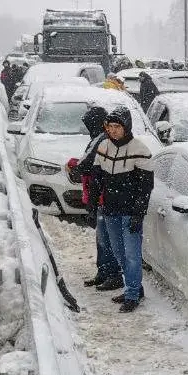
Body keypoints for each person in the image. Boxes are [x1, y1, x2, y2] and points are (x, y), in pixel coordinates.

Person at [92, 106, 152, 312]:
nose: (113, 130)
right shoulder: (103, 147)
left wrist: (138, 213)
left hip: (130, 212)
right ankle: (134, 287)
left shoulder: (140, 150)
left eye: (117, 126)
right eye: (110, 126)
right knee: (118, 252)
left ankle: (132, 294)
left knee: (132, 254)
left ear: (126, 127)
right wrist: (94, 202)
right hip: (110, 210)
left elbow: (146, 187)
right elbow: (97, 178)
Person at [68, 106, 122, 291]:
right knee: (102, 238)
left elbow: (86, 165)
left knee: (107, 239)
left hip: (102, 196)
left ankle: (112, 274)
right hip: (98, 195)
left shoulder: (102, 139)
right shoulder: (101, 138)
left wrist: (73, 166)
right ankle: (104, 271)